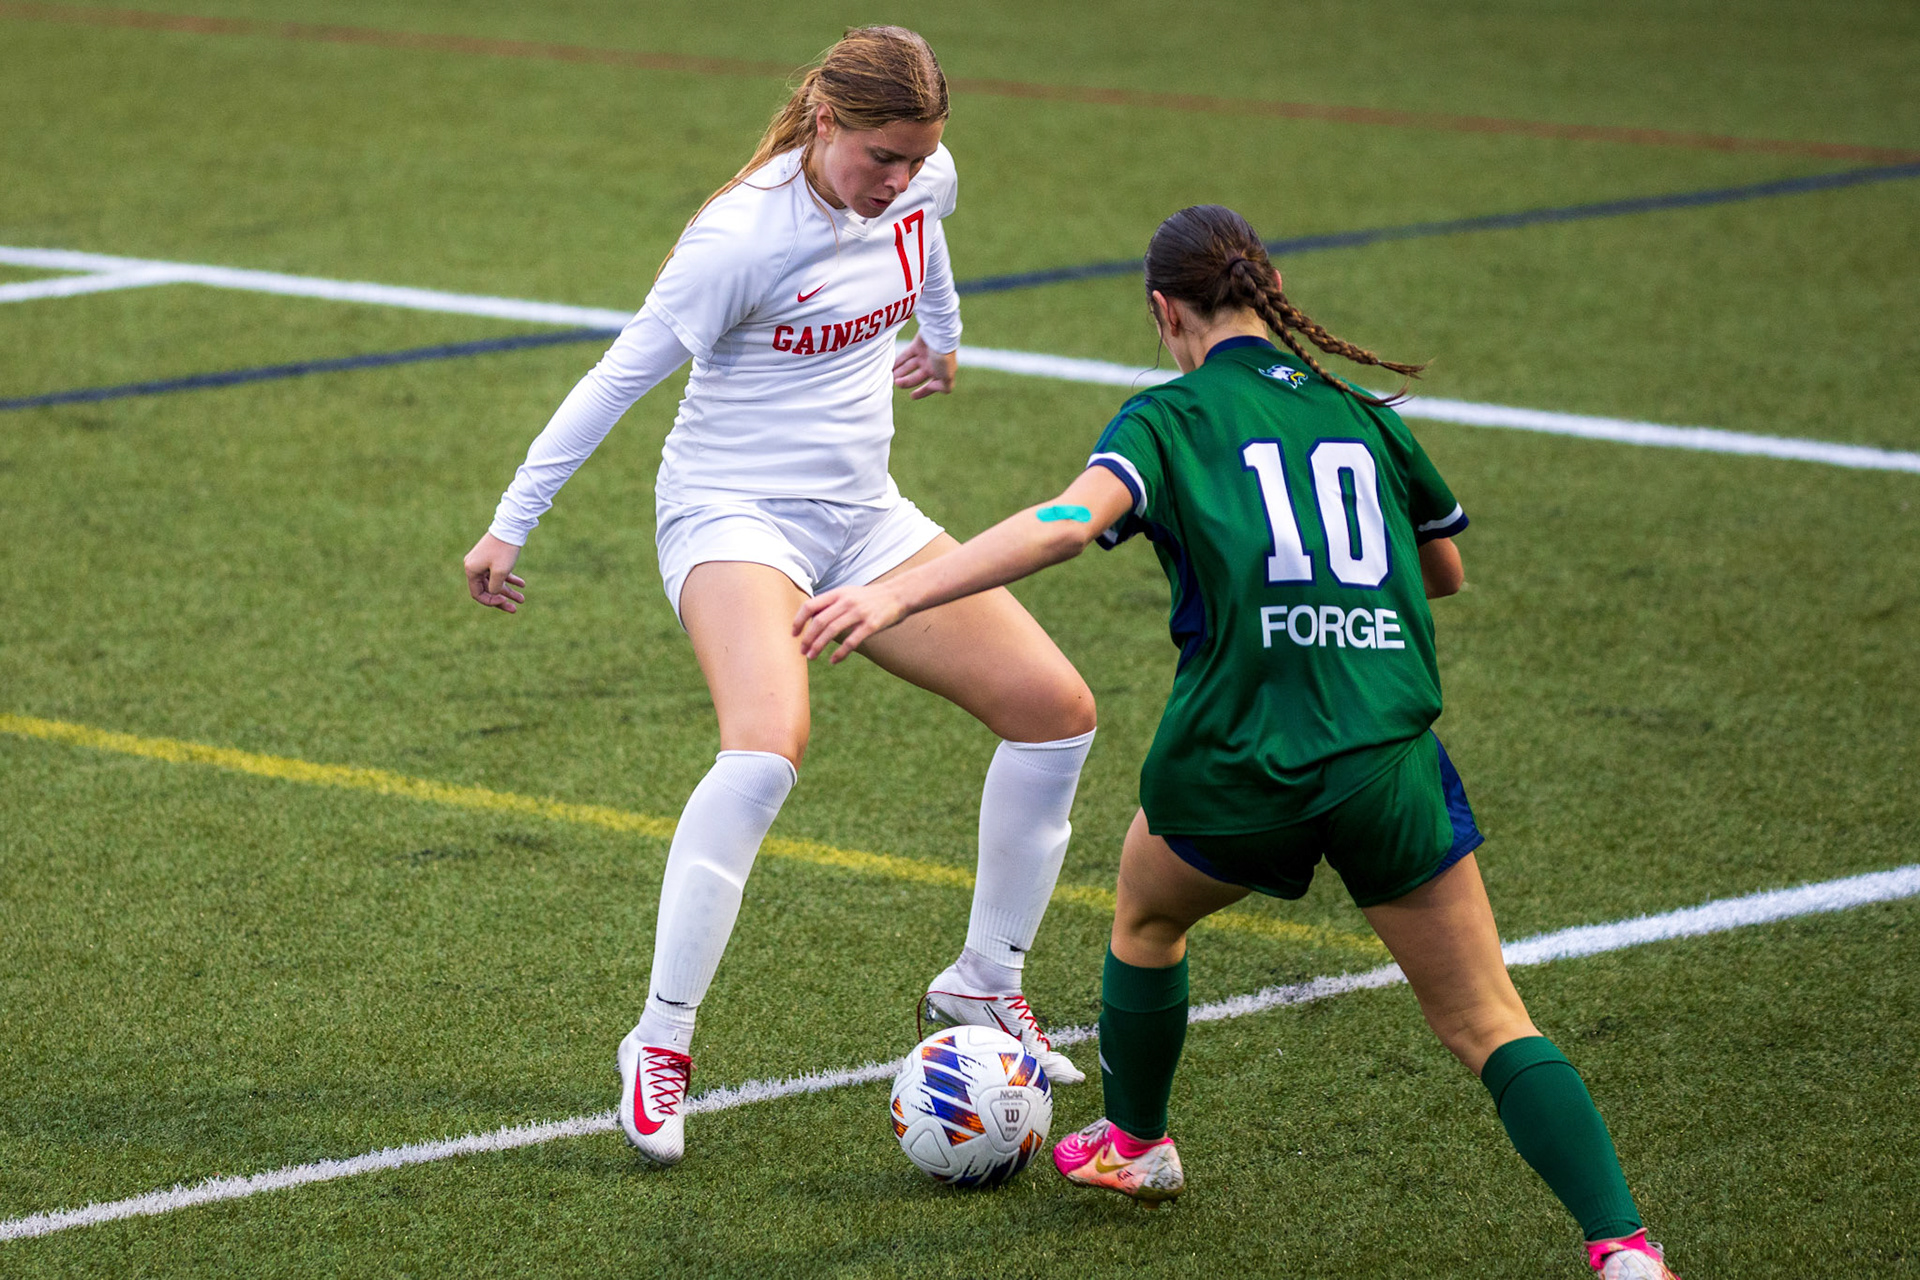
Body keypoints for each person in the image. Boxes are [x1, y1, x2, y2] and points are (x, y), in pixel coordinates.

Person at [794, 205, 1680, 1279]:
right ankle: (1624, 1245)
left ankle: (1137, 1143)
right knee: (1489, 1020)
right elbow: (1444, 570)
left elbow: (1069, 523)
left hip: (1238, 758)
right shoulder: (1361, 413)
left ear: (1165, 311)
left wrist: (896, 592)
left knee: (1147, 912)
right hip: (1386, 754)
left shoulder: (1170, 417)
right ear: (1268, 290)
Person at [462, 26, 1097, 1169]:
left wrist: (943, 340)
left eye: (917, 158)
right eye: (880, 157)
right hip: (731, 516)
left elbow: (926, 242)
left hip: (866, 516)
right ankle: (660, 1039)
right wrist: (513, 520)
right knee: (767, 745)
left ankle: (984, 978)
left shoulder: (921, 181)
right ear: (825, 121)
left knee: (1056, 710)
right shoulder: (740, 237)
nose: (898, 179)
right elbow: (617, 377)